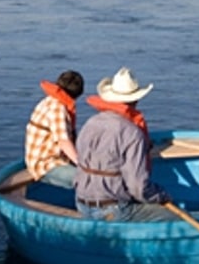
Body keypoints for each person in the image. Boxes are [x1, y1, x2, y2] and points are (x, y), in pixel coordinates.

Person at [74, 67, 173, 221]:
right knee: (174, 217)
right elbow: (138, 187)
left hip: (82, 203)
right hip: (113, 209)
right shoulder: (132, 133)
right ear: (136, 99)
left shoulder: (90, 123)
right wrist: (162, 195)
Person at [24, 70, 84, 188]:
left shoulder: (49, 101)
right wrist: (82, 164)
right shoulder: (57, 108)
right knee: (88, 180)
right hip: (45, 165)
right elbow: (63, 141)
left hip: (46, 159)